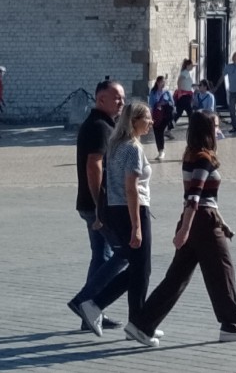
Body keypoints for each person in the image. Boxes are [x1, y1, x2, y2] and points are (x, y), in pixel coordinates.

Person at [124, 111, 236, 345]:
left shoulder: (190, 155)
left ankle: (141, 324)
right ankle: (232, 326)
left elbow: (202, 196)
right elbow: (195, 196)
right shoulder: (204, 158)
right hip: (202, 222)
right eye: (216, 125)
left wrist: (220, 223)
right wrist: (185, 230)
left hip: (199, 219)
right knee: (222, 272)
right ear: (207, 130)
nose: (219, 129)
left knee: (177, 278)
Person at [76, 102, 154, 335]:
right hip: (133, 210)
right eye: (147, 118)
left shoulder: (115, 145)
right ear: (134, 121)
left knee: (139, 269)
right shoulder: (132, 148)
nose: (151, 122)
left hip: (116, 210)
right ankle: (94, 304)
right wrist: (137, 227)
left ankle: (136, 320)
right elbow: (131, 188)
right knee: (141, 269)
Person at [68, 80, 126, 334]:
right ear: (100, 100)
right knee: (124, 253)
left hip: (90, 205)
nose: (122, 102)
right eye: (117, 98)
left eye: (122, 97)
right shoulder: (100, 127)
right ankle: (86, 301)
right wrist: (100, 205)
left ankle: (91, 313)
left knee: (100, 256)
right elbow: (95, 165)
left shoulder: (101, 124)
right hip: (97, 207)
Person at [149, 76, 176, 161]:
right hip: (156, 115)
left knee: (160, 131)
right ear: (157, 82)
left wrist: (164, 103)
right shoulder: (153, 92)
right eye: (162, 82)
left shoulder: (167, 92)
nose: (164, 83)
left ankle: (162, 151)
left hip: (165, 116)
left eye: (165, 82)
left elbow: (172, 103)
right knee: (157, 132)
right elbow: (151, 104)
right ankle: (160, 151)